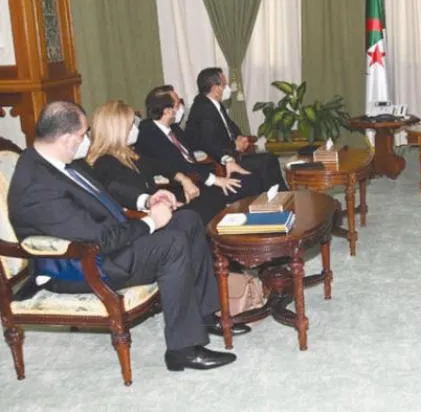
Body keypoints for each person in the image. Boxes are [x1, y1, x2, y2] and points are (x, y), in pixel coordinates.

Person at [8, 101, 248, 373]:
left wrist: (147, 200)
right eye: (83, 134)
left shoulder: (55, 161)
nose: (87, 140)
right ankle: (183, 350)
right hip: (80, 266)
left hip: (104, 245)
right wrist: (150, 222)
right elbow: (100, 239)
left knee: (188, 220)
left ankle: (204, 316)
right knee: (171, 244)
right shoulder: (38, 188)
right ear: (66, 139)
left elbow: (105, 192)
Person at [85, 100, 227, 225]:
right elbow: (121, 194)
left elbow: (162, 166)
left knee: (213, 195)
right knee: (198, 212)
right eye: (131, 125)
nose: (136, 129)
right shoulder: (105, 163)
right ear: (118, 131)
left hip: (161, 207)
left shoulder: (130, 154)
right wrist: (156, 203)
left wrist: (183, 179)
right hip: (145, 220)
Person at [135, 85, 265, 203]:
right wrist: (215, 180)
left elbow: (201, 145)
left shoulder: (173, 128)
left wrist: (226, 159)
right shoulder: (148, 132)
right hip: (183, 188)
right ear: (167, 111)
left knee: (253, 177)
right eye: (178, 103)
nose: (181, 107)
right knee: (250, 183)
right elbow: (177, 164)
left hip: (200, 177)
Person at [184, 68, 287, 192]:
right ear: (215, 88)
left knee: (269, 159)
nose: (227, 88)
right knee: (267, 161)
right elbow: (209, 143)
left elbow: (231, 126)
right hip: (218, 162)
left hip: (231, 154)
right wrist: (234, 146)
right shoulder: (203, 109)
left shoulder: (213, 103)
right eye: (224, 85)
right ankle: (279, 197)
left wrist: (241, 138)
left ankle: (279, 196)